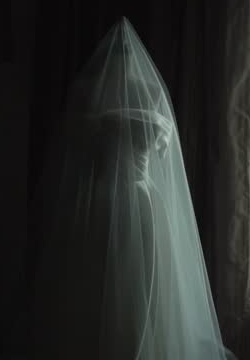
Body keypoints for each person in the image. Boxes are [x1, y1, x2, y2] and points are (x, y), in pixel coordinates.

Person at [31, 18, 231, 359]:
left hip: (124, 200)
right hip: (125, 200)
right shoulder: (119, 93)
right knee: (105, 285)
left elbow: (79, 150)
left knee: (142, 287)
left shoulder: (108, 93)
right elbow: (161, 148)